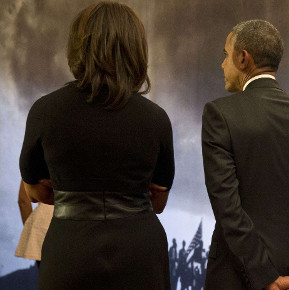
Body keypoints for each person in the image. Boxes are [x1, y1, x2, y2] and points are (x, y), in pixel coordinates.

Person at [19, 2, 174, 289]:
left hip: (69, 249)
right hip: (140, 250)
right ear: (136, 50)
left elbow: (36, 191)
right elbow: (160, 201)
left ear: (77, 48)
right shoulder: (156, 119)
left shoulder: (44, 111)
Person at [201, 19, 289, 290]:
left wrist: (267, 278)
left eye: (225, 54)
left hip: (237, 279)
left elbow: (227, 207)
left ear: (243, 58)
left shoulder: (220, 115)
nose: (222, 64)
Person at [15, 179, 54, 267]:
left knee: (49, 278)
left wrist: (33, 233)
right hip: (82, 225)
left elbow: (23, 201)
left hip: (43, 228)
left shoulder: (36, 164)